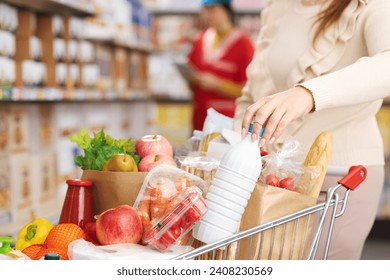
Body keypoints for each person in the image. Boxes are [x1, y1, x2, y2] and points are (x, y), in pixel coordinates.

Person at [235, 0, 390, 260]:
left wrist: (308, 94)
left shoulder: (371, 5)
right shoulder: (279, 7)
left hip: (340, 180)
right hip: (272, 178)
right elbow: (255, 90)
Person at [188, 0, 255, 131]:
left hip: (226, 122)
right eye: (205, 10)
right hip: (199, 118)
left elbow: (250, 90)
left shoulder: (243, 44)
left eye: (212, 10)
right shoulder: (201, 40)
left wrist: (218, 85)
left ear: (226, 10)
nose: (207, 16)